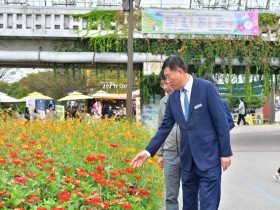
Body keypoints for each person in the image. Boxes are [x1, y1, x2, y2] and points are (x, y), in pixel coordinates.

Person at [131, 55, 232, 210]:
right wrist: (147, 152)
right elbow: (164, 128)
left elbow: (221, 122)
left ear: (179, 71)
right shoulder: (173, 99)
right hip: (188, 161)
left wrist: (225, 152)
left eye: (168, 77)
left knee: (208, 204)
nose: (167, 82)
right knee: (189, 205)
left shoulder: (206, 88)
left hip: (209, 157)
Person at [158, 70, 181, 210]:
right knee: (171, 197)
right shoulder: (163, 102)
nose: (165, 87)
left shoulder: (187, 98)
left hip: (188, 154)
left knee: (192, 193)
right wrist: (160, 154)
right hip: (170, 154)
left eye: (166, 82)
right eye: (162, 84)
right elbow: (161, 128)